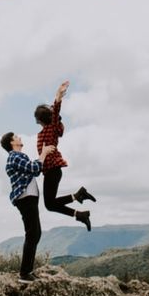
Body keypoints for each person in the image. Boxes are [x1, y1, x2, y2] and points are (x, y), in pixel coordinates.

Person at [35, 80, 96, 231]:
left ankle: (79, 200)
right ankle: (80, 210)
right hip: (50, 172)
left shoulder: (51, 129)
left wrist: (58, 96)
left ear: (40, 119)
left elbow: (55, 112)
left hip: (53, 171)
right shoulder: (42, 133)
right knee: (50, 204)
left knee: (49, 204)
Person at [0, 131, 54, 284]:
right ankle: (24, 273)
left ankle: (27, 271)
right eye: (16, 137)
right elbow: (34, 168)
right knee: (33, 233)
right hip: (25, 198)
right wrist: (43, 154)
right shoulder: (14, 157)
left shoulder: (19, 156)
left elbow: (35, 170)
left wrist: (40, 159)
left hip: (28, 198)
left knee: (35, 233)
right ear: (12, 142)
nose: (19, 137)